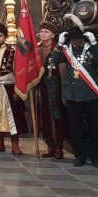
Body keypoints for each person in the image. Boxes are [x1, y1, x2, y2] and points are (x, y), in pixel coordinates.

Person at [51, 23, 98, 167]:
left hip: (90, 94)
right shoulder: (65, 50)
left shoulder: (89, 49)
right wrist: (59, 43)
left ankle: (95, 157)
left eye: (78, 39)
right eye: (73, 39)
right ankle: (79, 156)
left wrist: (94, 43)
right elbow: (54, 61)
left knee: (95, 128)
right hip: (73, 95)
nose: (76, 42)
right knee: (76, 129)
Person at [0, 23, 28, 154]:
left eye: (0, 35)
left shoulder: (13, 52)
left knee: (13, 116)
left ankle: (15, 144)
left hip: (9, 87)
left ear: (5, 37)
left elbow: (19, 71)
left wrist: (17, 88)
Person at [35, 22, 66, 158]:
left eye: (46, 32)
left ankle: (59, 146)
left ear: (53, 35)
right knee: (44, 115)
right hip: (41, 86)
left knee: (57, 116)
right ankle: (50, 145)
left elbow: (63, 69)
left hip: (55, 85)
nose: (43, 34)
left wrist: (64, 87)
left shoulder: (58, 49)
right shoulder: (36, 49)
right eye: (41, 32)